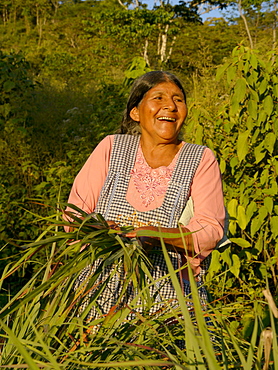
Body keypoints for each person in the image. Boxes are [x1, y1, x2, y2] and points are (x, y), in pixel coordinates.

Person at [65, 71, 225, 322]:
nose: (170, 106)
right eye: (158, 98)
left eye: (178, 100)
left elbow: (209, 231)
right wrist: (99, 229)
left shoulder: (201, 158)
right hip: (98, 290)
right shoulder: (111, 147)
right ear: (136, 112)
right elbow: (75, 215)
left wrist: (157, 236)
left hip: (169, 297)